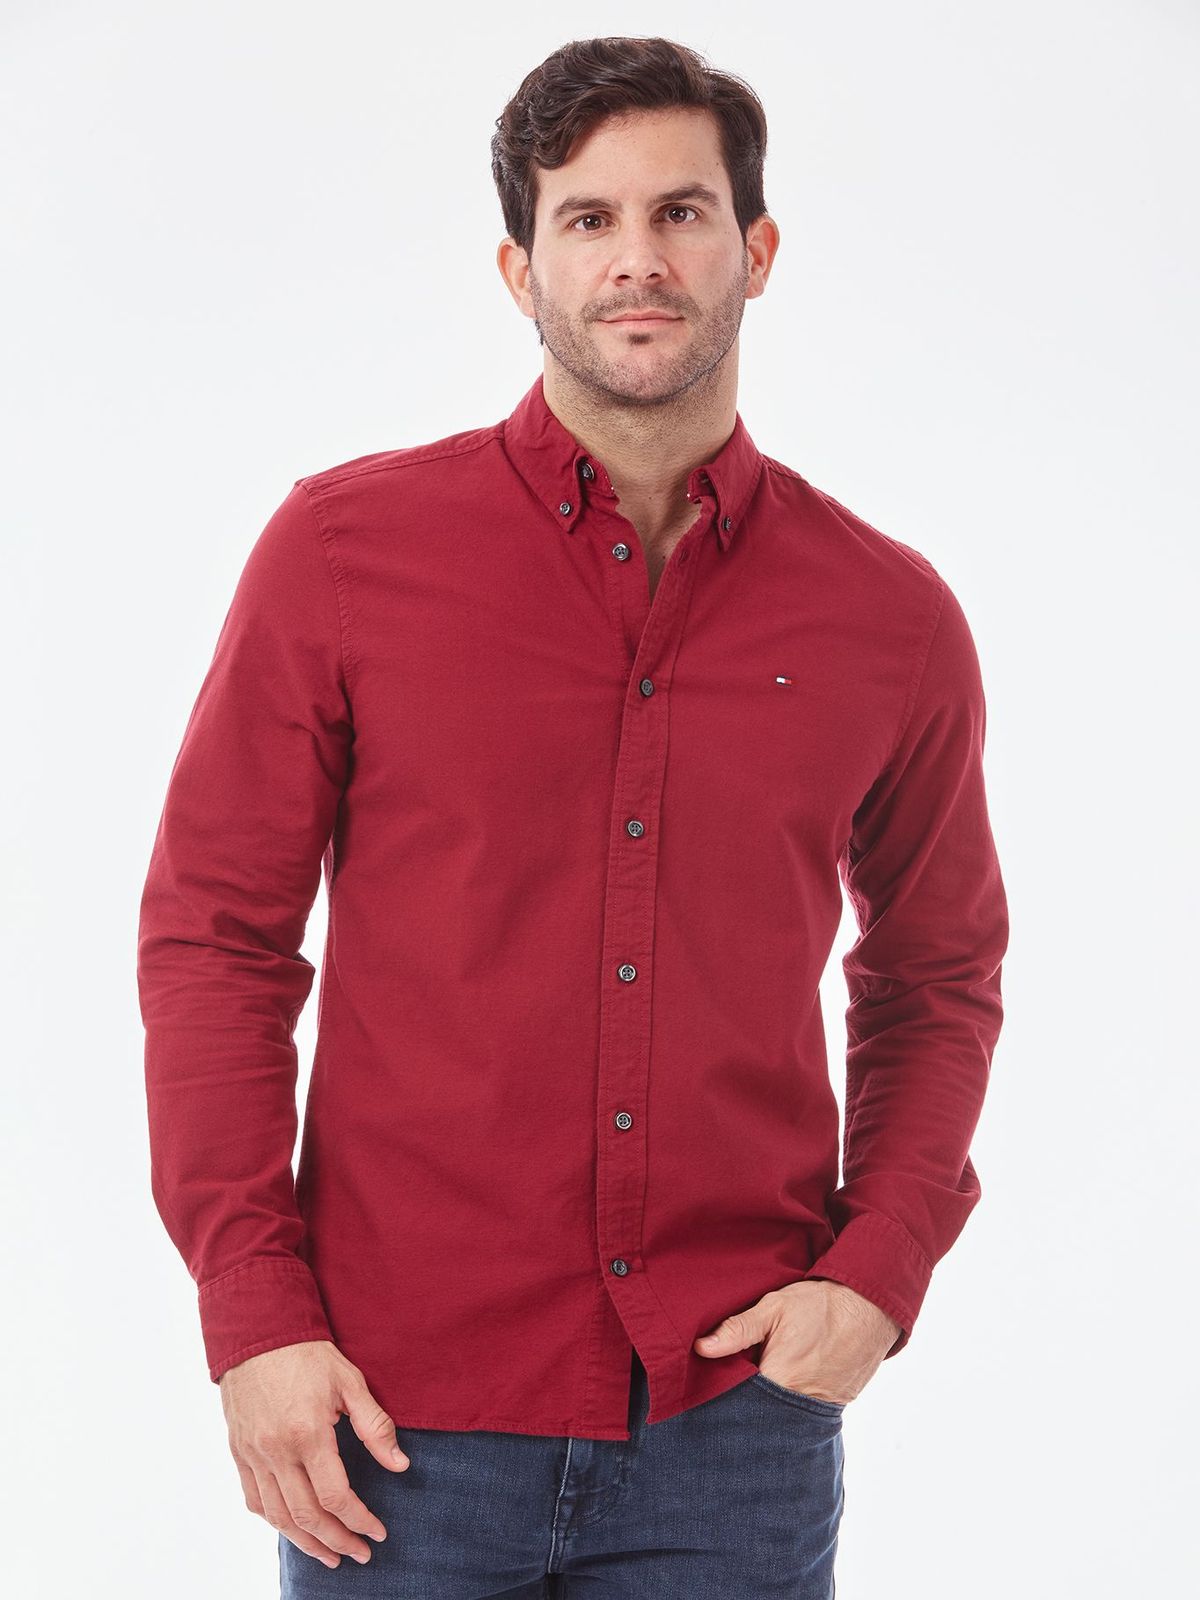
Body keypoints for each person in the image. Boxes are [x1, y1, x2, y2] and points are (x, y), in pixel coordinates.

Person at [136, 34, 1009, 1599]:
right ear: (519, 269)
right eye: (587, 219)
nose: (636, 261)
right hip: (391, 1424)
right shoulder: (340, 555)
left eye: (681, 213)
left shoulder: (891, 617)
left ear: (756, 250)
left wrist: (880, 1267)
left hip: (734, 1425)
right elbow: (216, 943)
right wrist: (253, 1315)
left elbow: (936, 974)